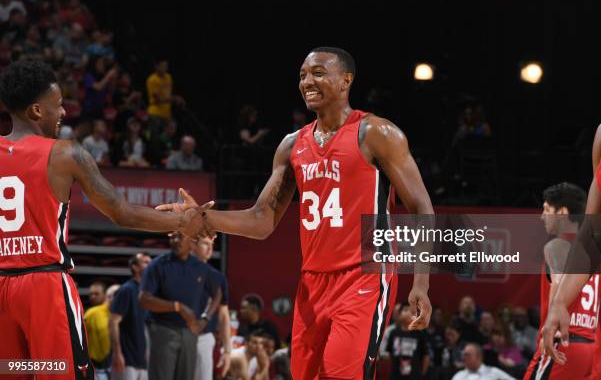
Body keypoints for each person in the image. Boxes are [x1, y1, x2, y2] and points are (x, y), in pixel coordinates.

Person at [157, 47, 434, 379]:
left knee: (341, 373)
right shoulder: (292, 146)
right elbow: (261, 220)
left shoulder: (376, 133)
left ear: (346, 81)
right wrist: (202, 218)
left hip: (365, 276)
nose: (307, 82)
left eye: (318, 73)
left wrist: (421, 283)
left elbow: (421, 207)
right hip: (313, 281)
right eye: (302, 75)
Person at [0, 60, 208, 380]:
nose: (64, 113)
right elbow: (122, 212)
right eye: (58, 106)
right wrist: (183, 222)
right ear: (37, 111)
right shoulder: (65, 153)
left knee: (15, 370)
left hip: (2, 289)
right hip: (44, 286)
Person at [525, 183, 600, 379]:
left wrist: (552, 326)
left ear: (562, 212)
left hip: (563, 344)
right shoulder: (595, 253)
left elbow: (558, 281)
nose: (542, 216)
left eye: (547, 210)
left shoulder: (558, 244)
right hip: (592, 347)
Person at [139, 231, 222, 380]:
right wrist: (177, 307)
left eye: (180, 237)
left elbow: (217, 294)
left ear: (191, 240)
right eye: (172, 237)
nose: (176, 241)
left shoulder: (200, 267)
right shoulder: (158, 264)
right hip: (163, 330)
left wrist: (205, 319)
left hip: (190, 333)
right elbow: (144, 299)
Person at [191, 235, 232, 380]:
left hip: (204, 338)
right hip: (179, 334)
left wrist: (227, 351)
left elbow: (224, 315)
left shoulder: (217, 277)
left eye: (211, 244)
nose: (210, 248)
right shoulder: (178, 270)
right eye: (205, 244)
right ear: (192, 245)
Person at [110, 252, 152, 380]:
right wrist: (117, 354)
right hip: (127, 359)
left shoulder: (146, 292)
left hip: (143, 360)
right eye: (146, 262)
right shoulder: (127, 290)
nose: (150, 266)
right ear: (135, 267)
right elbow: (113, 322)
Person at [385, 302, 430, 379]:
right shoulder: (394, 333)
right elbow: (389, 355)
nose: (408, 313)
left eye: (412, 312)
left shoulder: (419, 334)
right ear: (399, 315)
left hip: (414, 376)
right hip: (396, 376)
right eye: (405, 310)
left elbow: (426, 356)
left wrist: (421, 374)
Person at [84, 284, 120, 380]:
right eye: (91, 294)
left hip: (116, 366)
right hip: (97, 367)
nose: (92, 297)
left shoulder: (119, 315)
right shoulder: (91, 314)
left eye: (96, 294)